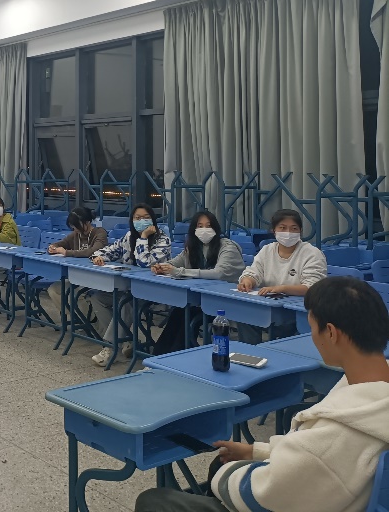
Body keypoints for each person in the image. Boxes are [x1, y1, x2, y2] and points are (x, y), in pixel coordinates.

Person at [134, 277, 389, 512]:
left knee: (154, 501)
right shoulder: (370, 391)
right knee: (222, 464)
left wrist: (226, 476)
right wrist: (256, 452)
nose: (312, 337)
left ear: (331, 333)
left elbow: (265, 492)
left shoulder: (337, 435)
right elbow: (308, 457)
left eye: (312, 328)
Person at [150, 210, 245, 354]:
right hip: (202, 299)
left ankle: (175, 355)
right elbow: (175, 263)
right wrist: (162, 267)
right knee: (180, 312)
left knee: (188, 315)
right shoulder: (193, 247)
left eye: (208, 226)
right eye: (200, 226)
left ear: (216, 228)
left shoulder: (227, 247)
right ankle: (160, 355)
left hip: (227, 301)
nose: (204, 230)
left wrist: (180, 271)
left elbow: (219, 273)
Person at [89, 204, 171, 367]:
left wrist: (144, 237)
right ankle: (125, 340)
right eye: (137, 218)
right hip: (129, 287)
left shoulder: (163, 240)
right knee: (97, 297)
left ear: (153, 220)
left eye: (145, 217)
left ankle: (110, 347)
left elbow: (144, 263)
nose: (141, 221)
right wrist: (98, 257)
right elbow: (110, 250)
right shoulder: (129, 236)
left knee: (127, 302)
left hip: (154, 291)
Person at [235, 208, 326, 344]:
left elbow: (313, 287)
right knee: (245, 315)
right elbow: (254, 272)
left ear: (300, 231)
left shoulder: (312, 253)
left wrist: (282, 288)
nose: (288, 233)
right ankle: (251, 352)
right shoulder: (267, 250)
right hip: (270, 306)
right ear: (274, 230)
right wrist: (248, 280)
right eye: (282, 228)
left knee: (286, 327)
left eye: (294, 228)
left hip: (299, 311)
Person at [43, 207, 109, 317]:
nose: (75, 228)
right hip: (77, 276)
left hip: (95, 277)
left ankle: (90, 319)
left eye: (77, 225)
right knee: (53, 289)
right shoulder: (76, 234)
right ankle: (77, 317)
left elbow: (92, 251)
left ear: (87, 222)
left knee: (75, 294)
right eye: (73, 226)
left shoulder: (100, 233)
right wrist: (53, 247)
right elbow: (62, 243)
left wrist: (66, 252)